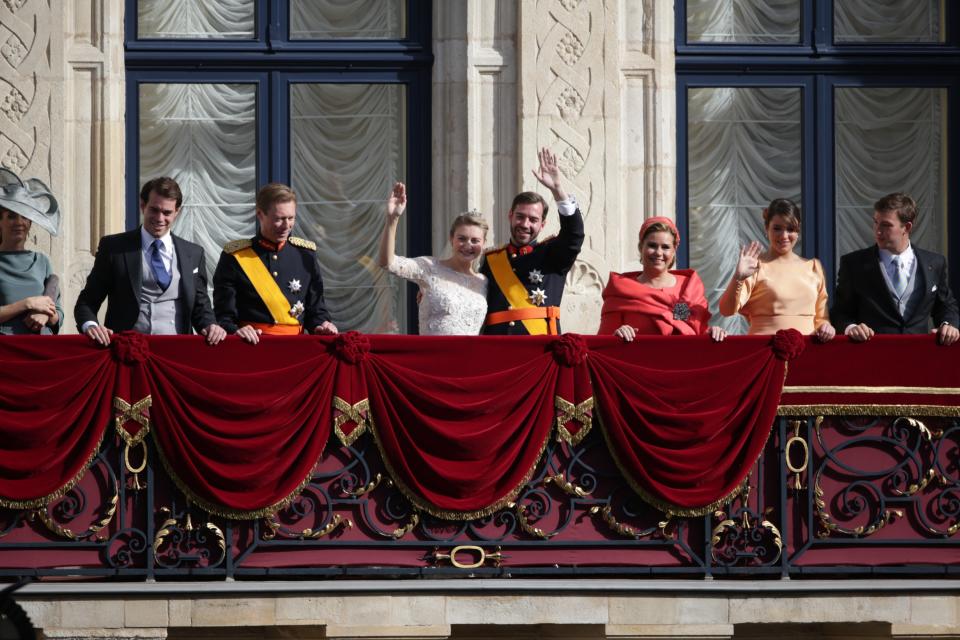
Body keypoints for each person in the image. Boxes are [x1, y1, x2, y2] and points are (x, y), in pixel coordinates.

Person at [75, 177, 226, 345]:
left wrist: (211, 325)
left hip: (177, 352)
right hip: (127, 351)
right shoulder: (114, 248)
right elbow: (87, 302)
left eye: (167, 213)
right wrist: (91, 326)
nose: (160, 218)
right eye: (154, 210)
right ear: (142, 206)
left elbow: (201, 306)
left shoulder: (194, 253)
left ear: (177, 212)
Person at [213, 182, 337, 344]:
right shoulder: (236, 256)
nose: (286, 226)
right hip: (253, 347)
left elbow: (316, 309)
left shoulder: (305, 255)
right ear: (260, 214)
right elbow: (223, 315)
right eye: (278, 219)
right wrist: (236, 330)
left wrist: (321, 325)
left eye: (291, 218)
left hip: (296, 349)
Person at [831, 192, 959, 345]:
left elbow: (945, 305)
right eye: (876, 222)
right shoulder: (853, 264)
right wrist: (851, 328)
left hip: (919, 356)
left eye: (886, 225)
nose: (877, 231)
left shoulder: (935, 263)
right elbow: (840, 312)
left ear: (907, 227)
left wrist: (948, 325)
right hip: (872, 356)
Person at [480, 148, 585, 335]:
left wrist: (558, 190)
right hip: (497, 349)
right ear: (510, 216)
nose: (525, 224)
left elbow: (574, 235)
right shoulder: (490, 259)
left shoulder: (553, 255)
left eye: (533, 220)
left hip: (539, 348)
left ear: (542, 224)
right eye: (520, 217)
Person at [377, 182, 488, 335]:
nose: (468, 245)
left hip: (470, 356)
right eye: (462, 239)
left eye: (475, 240)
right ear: (451, 239)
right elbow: (388, 263)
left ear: (483, 244)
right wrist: (392, 219)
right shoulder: (429, 267)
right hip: (433, 354)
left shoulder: (484, 282)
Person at [719, 198, 835, 340]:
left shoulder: (814, 267)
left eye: (790, 229)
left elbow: (821, 318)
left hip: (807, 352)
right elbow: (726, 310)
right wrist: (738, 277)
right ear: (766, 228)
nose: (784, 236)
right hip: (764, 350)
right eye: (777, 228)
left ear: (798, 231)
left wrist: (826, 327)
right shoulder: (754, 266)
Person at [599, 217, 726, 342]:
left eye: (665, 247)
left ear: (674, 251)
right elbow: (603, 343)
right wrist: (617, 333)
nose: (658, 253)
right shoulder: (621, 290)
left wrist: (711, 334)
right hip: (636, 361)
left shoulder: (687, 288)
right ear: (640, 247)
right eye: (652, 245)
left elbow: (689, 329)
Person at [0, 168, 63, 335]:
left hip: (41, 349)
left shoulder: (41, 261)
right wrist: (28, 303)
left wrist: (47, 314)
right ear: (0, 221)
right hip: (6, 350)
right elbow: (32, 303)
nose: (19, 222)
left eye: (25, 216)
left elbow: (59, 315)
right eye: (12, 216)